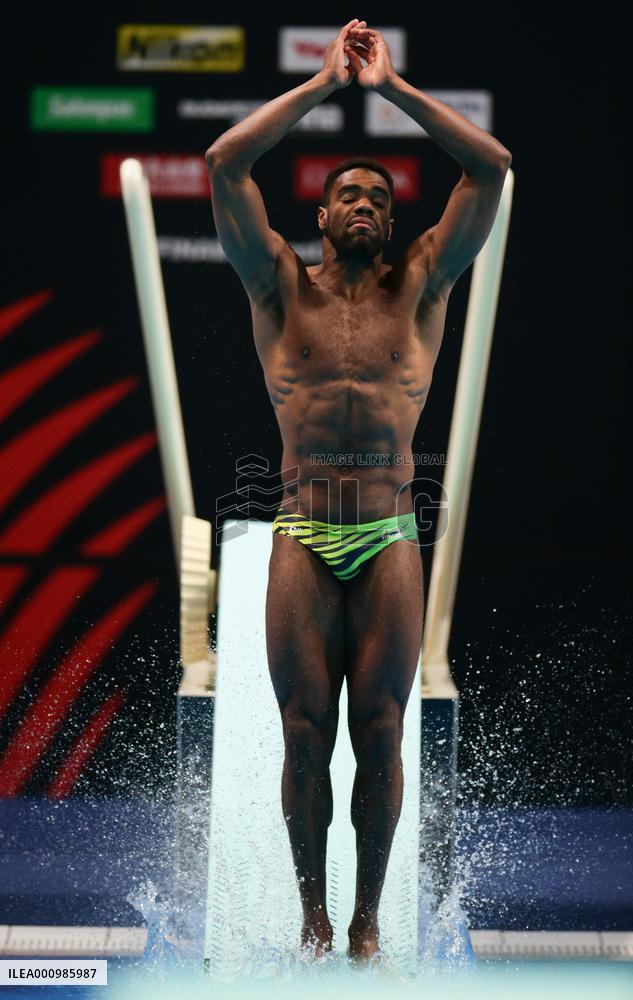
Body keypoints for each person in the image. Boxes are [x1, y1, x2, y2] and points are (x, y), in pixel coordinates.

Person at [205, 18, 511, 963]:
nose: (367, 201)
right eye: (349, 192)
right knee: (305, 739)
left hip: (386, 535)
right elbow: (223, 162)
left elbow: (491, 169)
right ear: (324, 217)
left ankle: (368, 922)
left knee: (380, 737)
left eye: (380, 191)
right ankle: (311, 916)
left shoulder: (422, 286)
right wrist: (325, 86)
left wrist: (391, 91)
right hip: (302, 531)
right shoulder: (278, 289)